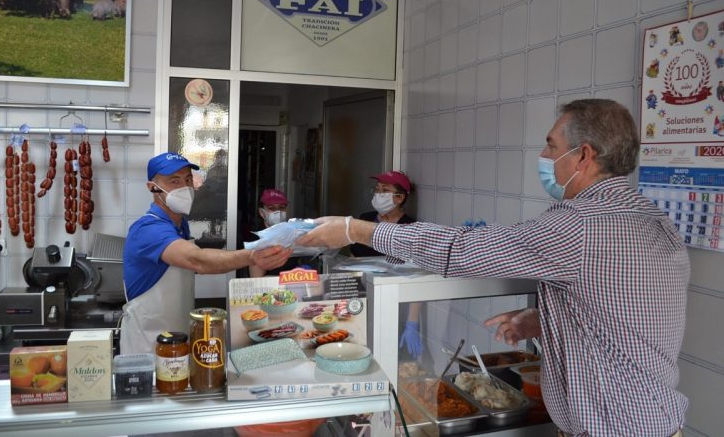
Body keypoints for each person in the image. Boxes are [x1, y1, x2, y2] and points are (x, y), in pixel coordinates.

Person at [298, 100, 689, 436]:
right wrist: (544, 318)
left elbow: (460, 250)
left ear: (584, 155)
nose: (546, 157)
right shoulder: (652, 219)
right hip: (657, 420)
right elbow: (624, 307)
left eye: (552, 146)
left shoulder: (580, 224)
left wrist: (356, 229)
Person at [121, 152, 292, 355]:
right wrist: (251, 255)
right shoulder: (148, 229)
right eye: (174, 181)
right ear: (152, 187)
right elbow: (196, 260)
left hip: (177, 339)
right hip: (148, 347)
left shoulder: (179, 225)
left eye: (187, 179)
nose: (184, 187)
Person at [349, 170, 423, 359]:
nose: (378, 195)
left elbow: (416, 276)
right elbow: (353, 260)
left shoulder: (410, 227)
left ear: (399, 198)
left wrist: (412, 323)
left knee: (388, 357)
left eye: (384, 191)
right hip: (362, 299)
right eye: (377, 190)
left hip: (393, 302)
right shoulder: (364, 220)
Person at [248, 188, 301, 278]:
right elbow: (256, 280)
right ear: (262, 212)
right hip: (271, 291)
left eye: (282, 207)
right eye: (272, 208)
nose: (278, 212)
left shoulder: (292, 234)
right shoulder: (257, 241)